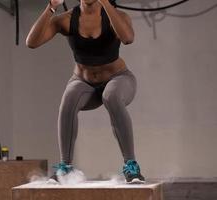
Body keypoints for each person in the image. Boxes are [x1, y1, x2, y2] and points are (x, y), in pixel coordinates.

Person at [26, 0, 145, 183]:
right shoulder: (66, 20)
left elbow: (128, 38)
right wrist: (51, 7)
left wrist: (106, 3)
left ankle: (131, 166)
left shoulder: (118, 16)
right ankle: (65, 167)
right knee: (68, 99)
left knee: (110, 95)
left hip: (119, 79)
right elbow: (31, 42)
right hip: (84, 83)